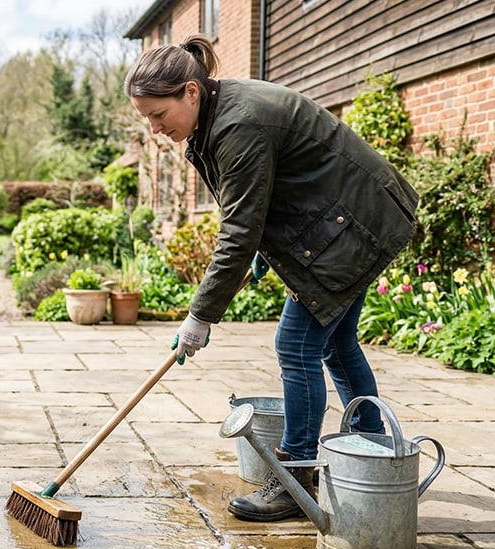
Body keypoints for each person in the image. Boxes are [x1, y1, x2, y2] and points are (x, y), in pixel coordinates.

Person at [124, 34, 419, 522]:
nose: (154, 128)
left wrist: (200, 316)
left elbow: (238, 230)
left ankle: (293, 476)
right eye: (147, 118)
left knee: (296, 345)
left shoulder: (239, 122)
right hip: (350, 219)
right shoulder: (221, 113)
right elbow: (269, 198)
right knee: (336, 344)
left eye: (158, 114)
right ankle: (372, 457)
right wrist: (267, 251)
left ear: (191, 93)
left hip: (358, 224)